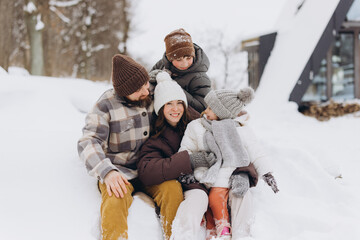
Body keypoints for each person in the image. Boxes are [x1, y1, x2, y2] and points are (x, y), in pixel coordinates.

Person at [77, 54, 184, 240]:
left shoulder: (152, 93)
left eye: (145, 84)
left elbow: (183, 105)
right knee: (114, 200)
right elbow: (89, 141)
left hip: (150, 167)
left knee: (173, 190)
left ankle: (174, 237)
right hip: (119, 171)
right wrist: (107, 172)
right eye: (138, 89)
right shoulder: (105, 105)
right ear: (123, 91)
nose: (146, 91)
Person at [179, 87, 279, 240]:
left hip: (229, 174)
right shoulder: (196, 126)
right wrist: (188, 170)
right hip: (203, 174)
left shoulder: (240, 129)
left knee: (221, 196)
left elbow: (256, 152)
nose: (205, 111)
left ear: (222, 112)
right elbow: (185, 151)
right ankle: (213, 228)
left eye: (211, 108)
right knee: (208, 199)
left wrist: (267, 172)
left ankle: (232, 230)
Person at [137, 71, 214, 240]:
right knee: (186, 195)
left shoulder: (198, 124)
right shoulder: (156, 135)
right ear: (160, 107)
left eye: (179, 103)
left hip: (202, 181)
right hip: (183, 184)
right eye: (169, 104)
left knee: (202, 197)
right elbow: (146, 170)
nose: (175, 109)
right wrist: (190, 160)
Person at [150, 28, 211, 113]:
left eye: (188, 58)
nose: (184, 63)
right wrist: (151, 79)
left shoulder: (200, 78)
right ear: (170, 59)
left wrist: (172, 85)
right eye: (178, 59)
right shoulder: (161, 65)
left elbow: (202, 108)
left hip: (184, 122)